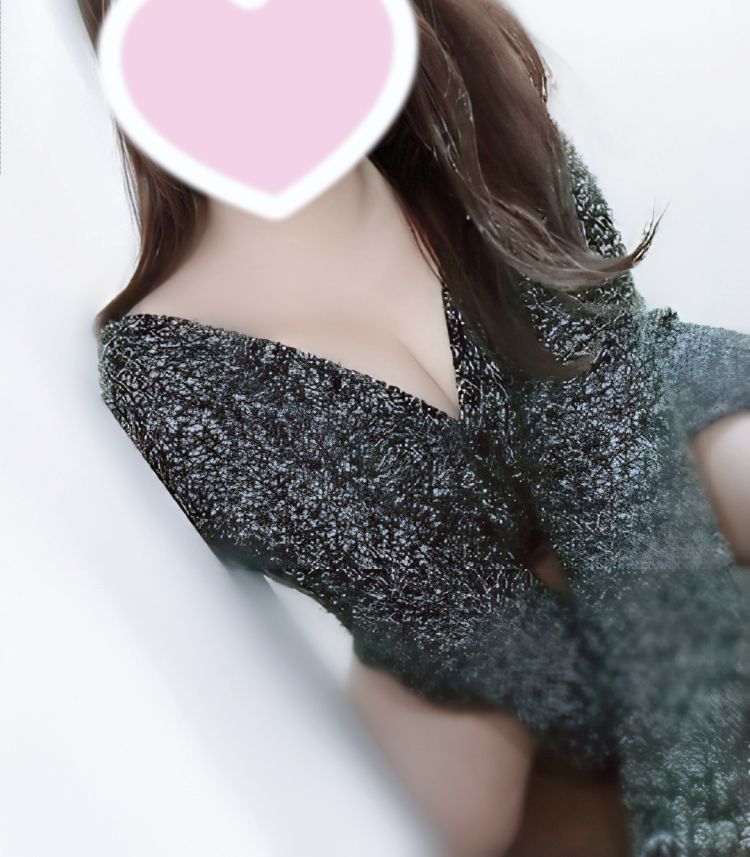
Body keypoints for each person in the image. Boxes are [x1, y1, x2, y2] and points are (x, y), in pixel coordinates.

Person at [84, 0, 750, 854]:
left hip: (646, 423)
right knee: (443, 804)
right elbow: (480, 633)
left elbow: (617, 478)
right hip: (462, 625)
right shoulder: (173, 376)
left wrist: (705, 810)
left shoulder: (482, 130)